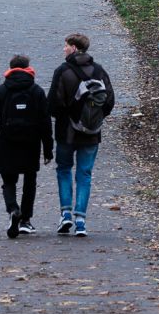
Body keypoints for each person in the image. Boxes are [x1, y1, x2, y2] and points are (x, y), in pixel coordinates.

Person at [47, 33, 115, 236]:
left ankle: (65, 214)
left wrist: (66, 116)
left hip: (66, 133)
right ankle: (81, 220)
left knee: (64, 170)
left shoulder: (63, 71)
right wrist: (93, 118)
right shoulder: (99, 70)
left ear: (74, 48)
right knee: (85, 174)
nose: (64, 49)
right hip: (92, 133)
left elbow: (53, 104)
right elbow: (109, 101)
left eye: (66, 46)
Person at [0, 55, 53, 239]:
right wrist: (48, 149)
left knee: (9, 180)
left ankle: (13, 209)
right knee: (30, 181)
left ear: (11, 68)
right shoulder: (36, 91)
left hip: (8, 141)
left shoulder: (2, 90)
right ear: (28, 68)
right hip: (31, 142)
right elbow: (45, 122)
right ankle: (25, 221)